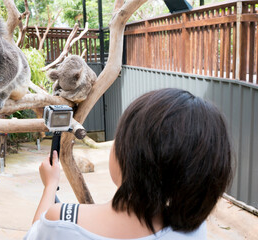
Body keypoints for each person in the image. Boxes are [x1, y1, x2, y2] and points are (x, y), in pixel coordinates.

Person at [24, 88, 233, 240]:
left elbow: (36, 233)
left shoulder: (62, 220)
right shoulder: (194, 231)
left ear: (130, 156)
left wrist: (50, 185)